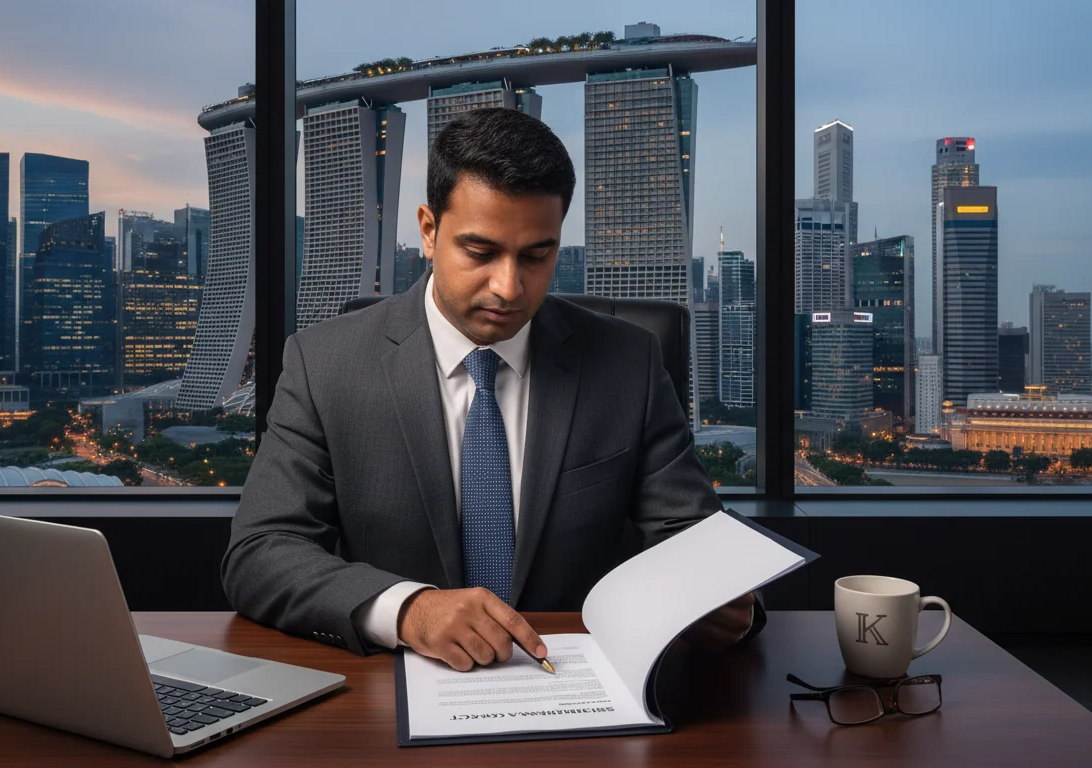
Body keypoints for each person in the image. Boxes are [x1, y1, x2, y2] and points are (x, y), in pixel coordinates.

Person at [224, 107, 761, 672]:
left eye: (537, 255)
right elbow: (261, 553)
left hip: (581, 690)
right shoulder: (325, 363)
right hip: (390, 695)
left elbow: (692, 536)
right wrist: (409, 611)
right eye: (480, 253)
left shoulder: (628, 362)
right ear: (429, 231)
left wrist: (731, 602)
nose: (509, 287)